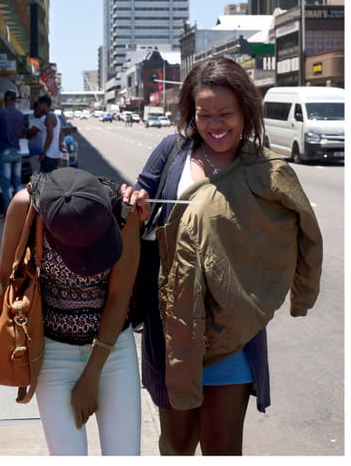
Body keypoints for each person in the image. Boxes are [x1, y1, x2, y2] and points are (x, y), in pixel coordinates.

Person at [131, 57, 323, 455]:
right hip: (174, 329)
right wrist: (131, 202)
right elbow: (137, 203)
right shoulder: (173, 152)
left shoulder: (265, 169)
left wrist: (302, 294)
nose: (215, 125)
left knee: (222, 446)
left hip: (235, 333)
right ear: (191, 114)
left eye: (226, 114)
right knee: (177, 445)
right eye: (204, 115)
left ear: (246, 112)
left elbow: (304, 231)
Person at [0, 168, 144, 455]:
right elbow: (2, 275)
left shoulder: (123, 213)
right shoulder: (26, 207)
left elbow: (119, 298)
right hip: (53, 350)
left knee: (125, 454)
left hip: (113, 350)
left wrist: (92, 375)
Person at [0, 90, 26, 215]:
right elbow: (21, 131)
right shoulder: (20, 114)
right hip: (16, 150)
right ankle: (19, 212)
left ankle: (8, 213)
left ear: (5, 100)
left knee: (5, 185)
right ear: (14, 101)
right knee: (17, 184)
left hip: (4, 150)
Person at [27, 96, 51, 176]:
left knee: (37, 176)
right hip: (38, 153)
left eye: (35, 109)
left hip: (39, 153)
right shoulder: (47, 118)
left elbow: (30, 132)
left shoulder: (44, 119)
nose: (34, 112)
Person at [41, 103, 63, 173]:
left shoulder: (49, 117)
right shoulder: (56, 117)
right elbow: (61, 133)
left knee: (45, 180)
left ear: (44, 105)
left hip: (48, 155)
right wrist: (59, 144)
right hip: (55, 154)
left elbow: (50, 136)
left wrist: (43, 153)